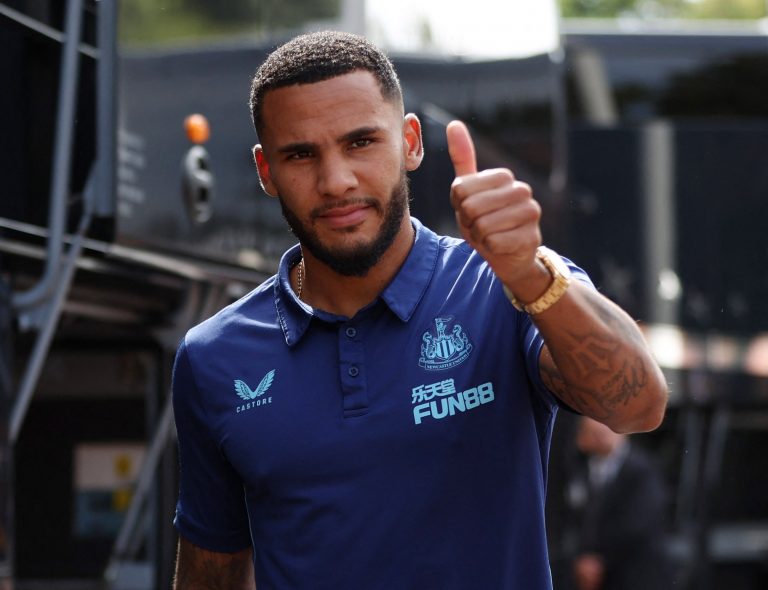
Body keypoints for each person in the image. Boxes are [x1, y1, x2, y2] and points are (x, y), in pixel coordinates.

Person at [170, 30, 668, 590]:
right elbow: (210, 573)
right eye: (301, 154)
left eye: (361, 142)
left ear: (410, 142)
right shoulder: (214, 358)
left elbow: (637, 407)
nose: (336, 181)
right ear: (265, 171)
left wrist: (529, 274)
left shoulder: (507, 285)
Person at [558, 416, 673, 590]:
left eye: (604, 432)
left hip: (635, 573)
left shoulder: (642, 469)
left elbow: (639, 523)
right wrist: (580, 558)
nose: (600, 438)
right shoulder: (580, 469)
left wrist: (601, 559)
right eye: (592, 433)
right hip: (594, 575)